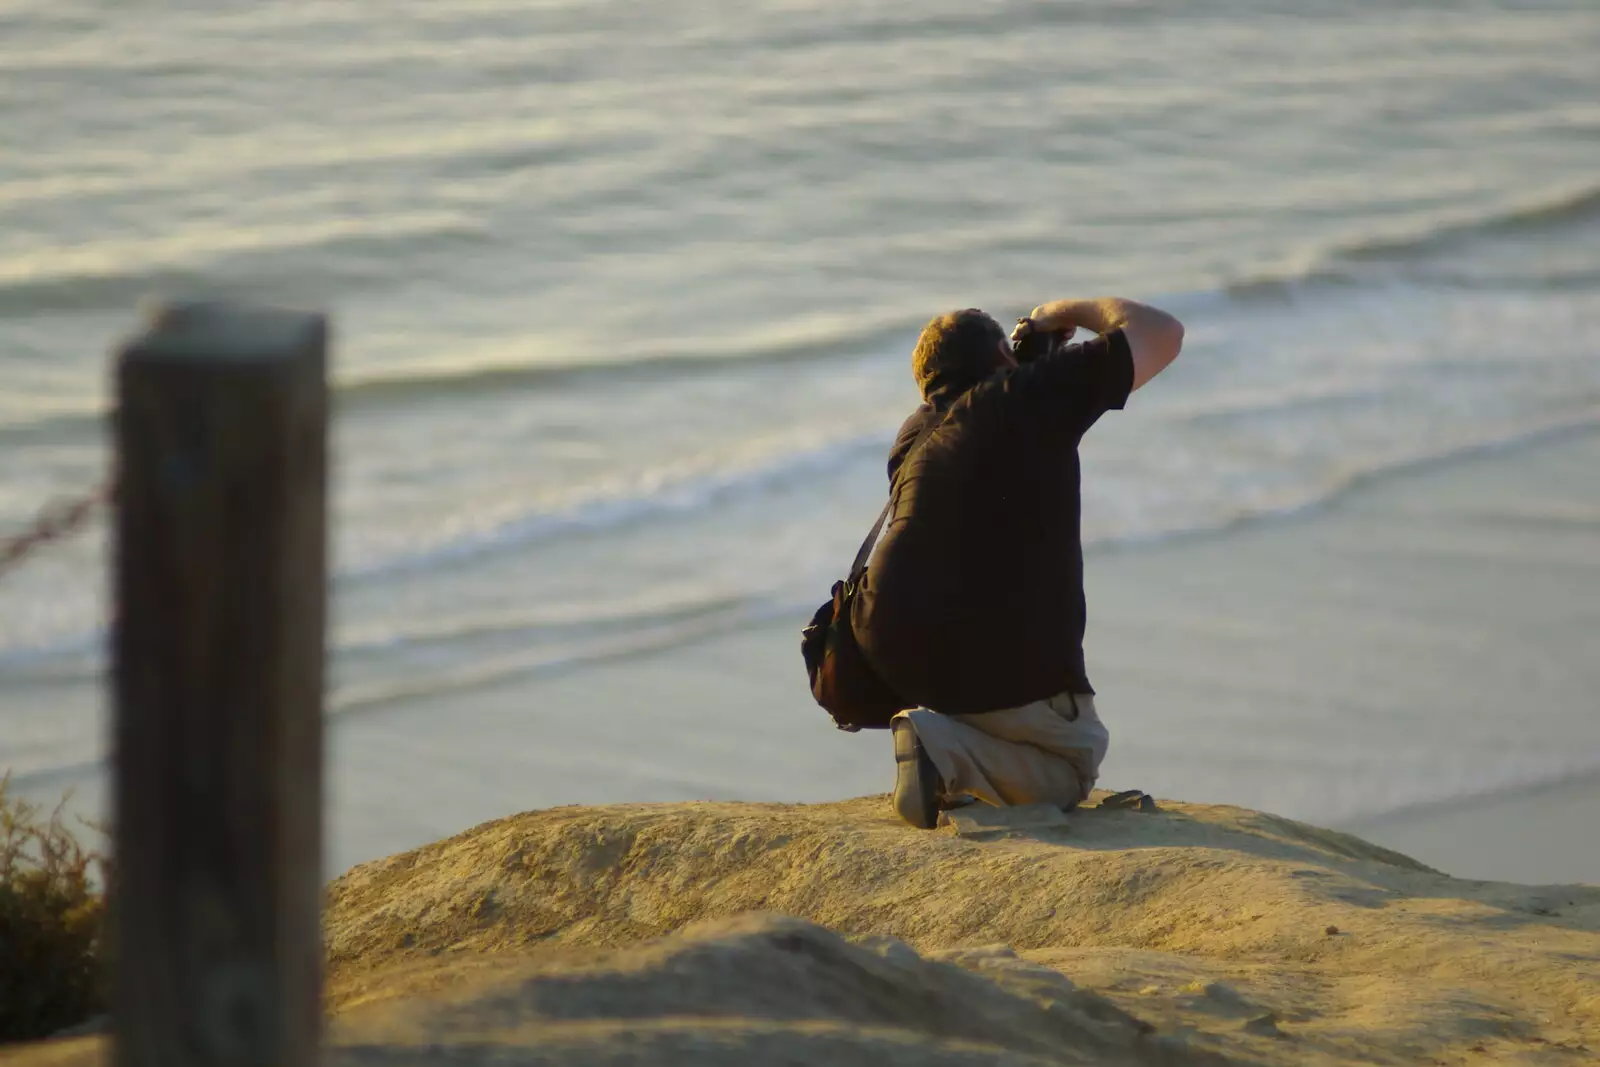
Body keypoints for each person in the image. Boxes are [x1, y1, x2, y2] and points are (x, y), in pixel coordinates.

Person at [852, 298, 1185, 828]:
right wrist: (1057, 312)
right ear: (1006, 359)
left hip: (891, 641)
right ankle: (945, 752)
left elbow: (994, 442)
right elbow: (1162, 333)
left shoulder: (915, 433)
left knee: (988, 698)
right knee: (1073, 767)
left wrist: (1034, 355)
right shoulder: (1023, 399)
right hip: (978, 647)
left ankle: (950, 740)